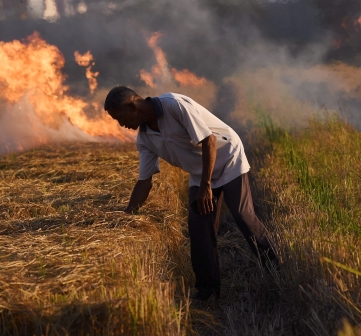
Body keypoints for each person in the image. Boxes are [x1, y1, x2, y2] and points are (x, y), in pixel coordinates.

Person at [103, 85, 278, 301]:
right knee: (199, 229)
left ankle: (277, 271)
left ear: (132, 106)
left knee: (243, 217)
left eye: (120, 118)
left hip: (227, 158)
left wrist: (205, 187)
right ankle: (208, 292)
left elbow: (209, 140)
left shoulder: (173, 105)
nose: (121, 125)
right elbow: (144, 182)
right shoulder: (145, 139)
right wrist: (127, 216)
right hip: (200, 171)